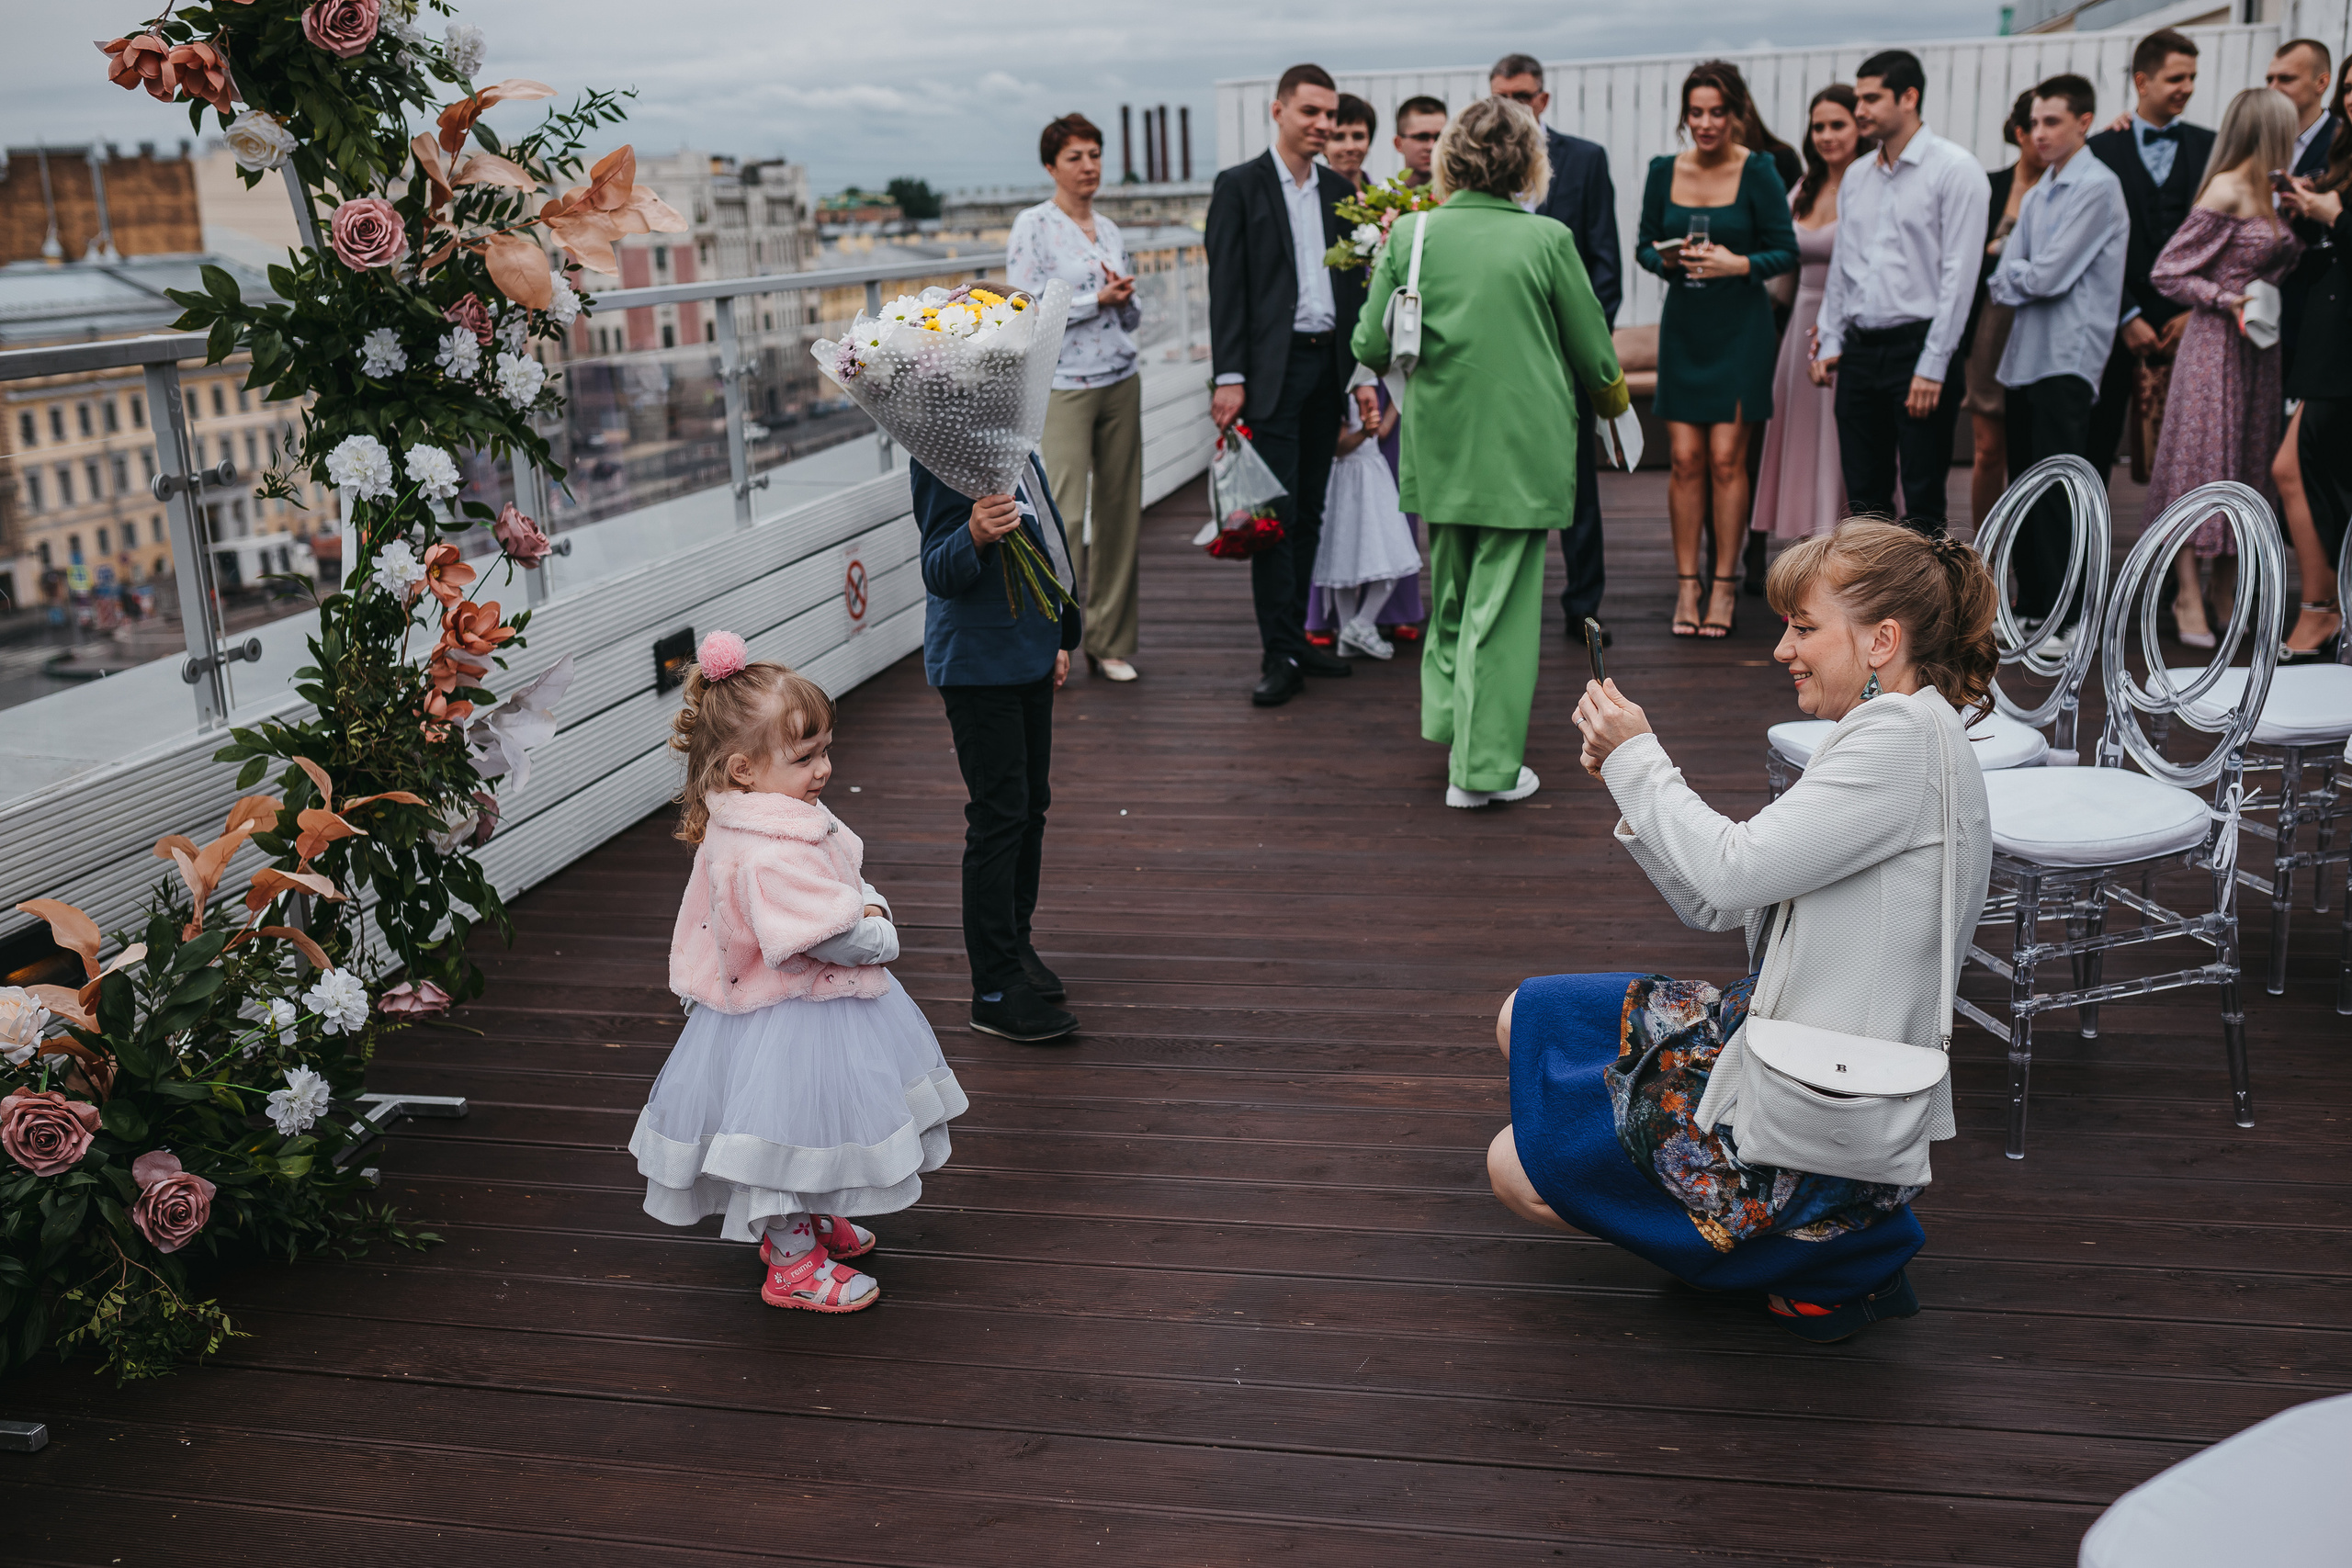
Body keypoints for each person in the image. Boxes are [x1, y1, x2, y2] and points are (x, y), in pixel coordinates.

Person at [1491, 519, 1996, 1341]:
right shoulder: (1894, 729)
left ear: (1882, 641)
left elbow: (1726, 871)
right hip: (1768, 1026)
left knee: (1517, 1168)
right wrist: (1630, 781)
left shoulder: (1897, 742)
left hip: (1817, 1101)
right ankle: (1780, 1246)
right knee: (1524, 1016)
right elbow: (1721, 902)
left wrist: (1642, 760)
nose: (1782, 649)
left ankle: (1837, 1254)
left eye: (1803, 628)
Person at [632, 637, 967, 1315]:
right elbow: (837, 936)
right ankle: (789, 1258)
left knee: (810, 1122)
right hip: (791, 1011)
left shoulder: (767, 816)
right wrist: (878, 919)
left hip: (787, 1008)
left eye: (824, 749)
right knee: (781, 1131)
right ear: (744, 768)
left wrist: (858, 899)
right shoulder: (767, 854)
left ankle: (808, 1220)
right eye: (806, 756)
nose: (824, 768)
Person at [1351, 96, 1628, 808]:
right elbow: (1596, 356)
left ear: (1450, 156)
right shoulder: (1547, 240)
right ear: (1528, 163)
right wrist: (1617, 411)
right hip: (1521, 449)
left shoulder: (1411, 233)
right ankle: (1481, 770)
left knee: (1452, 591)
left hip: (1438, 442)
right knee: (1501, 611)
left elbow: (1370, 346)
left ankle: (1450, 723)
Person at [911, 450, 1083, 1042]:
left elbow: (1049, 540)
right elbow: (938, 570)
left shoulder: (1018, 446)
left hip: (1027, 651)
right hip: (978, 664)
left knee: (1030, 807)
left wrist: (1059, 634)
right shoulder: (942, 452)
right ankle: (993, 986)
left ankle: (1016, 944)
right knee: (998, 816)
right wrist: (973, 534)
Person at [1205, 63, 1362, 707]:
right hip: (1268, 374)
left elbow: (1356, 288)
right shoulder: (1239, 186)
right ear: (1279, 111)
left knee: (1312, 512)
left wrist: (1362, 377)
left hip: (1329, 369)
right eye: (1311, 112)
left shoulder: (1339, 192)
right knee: (1272, 516)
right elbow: (1228, 289)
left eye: (1330, 114)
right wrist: (1229, 376)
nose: (1323, 124)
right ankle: (1278, 655)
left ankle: (1298, 638)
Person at [1638, 60, 1799, 637]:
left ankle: (1725, 584)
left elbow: (1786, 251)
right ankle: (1688, 583)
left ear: (1737, 114)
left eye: (1717, 111)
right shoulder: (1663, 170)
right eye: (1696, 112)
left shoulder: (1758, 170)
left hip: (1741, 330)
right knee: (1683, 460)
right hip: (1685, 326)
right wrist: (1668, 257)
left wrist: (1739, 263)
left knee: (1728, 460)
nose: (1706, 123)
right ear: (1686, 115)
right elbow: (1643, 247)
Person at [2143, 87, 2303, 649]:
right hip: (2216, 344)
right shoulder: (2227, 187)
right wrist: (2224, 298)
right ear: (2269, 129)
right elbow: (2168, 272)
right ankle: (2188, 590)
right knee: (2203, 463)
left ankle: (2225, 587)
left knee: (2247, 465)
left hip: (2261, 347)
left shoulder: (2279, 192)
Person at [1813, 50, 1991, 533]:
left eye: (1872, 97)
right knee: (1865, 503)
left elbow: (1961, 275)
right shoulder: (1855, 176)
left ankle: (1924, 611)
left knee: (1923, 501)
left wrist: (1933, 365)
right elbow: (1843, 267)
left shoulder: (1957, 169)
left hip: (1921, 349)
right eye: (1859, 97)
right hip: (1859, 353)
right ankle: (1872, 609)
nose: (1860, 109)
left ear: (1909, 97)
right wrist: (1830, 339)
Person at [1491, 52, 1623, 645]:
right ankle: (1503, 602)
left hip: (1565, 357)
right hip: (1498, 355)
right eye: (1500, 96)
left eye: (1521, 95)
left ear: (1542, 99)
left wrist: (1582, 342)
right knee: (1500, 479)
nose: (1511, 106)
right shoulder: (1481, 164)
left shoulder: (1586, 159)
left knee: (1576, 485)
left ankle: (1583, 606)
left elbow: (1605, 262)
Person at [1987, 75, 2129, 629]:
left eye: (2052, 122)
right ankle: (2034, 607)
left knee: (2060, 490)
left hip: (2068, 355)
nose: (2039, 133)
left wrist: (2021, 271)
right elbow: (2004, 278)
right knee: (2025, 485)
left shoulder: (2098, 187)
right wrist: (2023, 272)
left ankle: (2066, 619)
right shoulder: (2043, 187)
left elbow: (2044, 276)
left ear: (2084, 122)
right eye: (2035, 123)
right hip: (2026, 355)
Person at [1010, 113, 1145, 684]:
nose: (1088, 165)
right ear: (1051, 166)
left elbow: (1131, 313)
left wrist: (1123, 300)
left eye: (1095, 154)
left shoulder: (1110, 228)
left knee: (1120, 513)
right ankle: (1053, 641)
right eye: (1075, 157)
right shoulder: (1034, 226)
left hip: (1120, 375)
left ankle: (1111, 642)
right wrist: (1096, 299)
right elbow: (1024, 306)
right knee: (1061, 514)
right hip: (1064, 385)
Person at [1306, 94, 1429, 648]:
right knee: (1330, 489)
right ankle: (1323, 612)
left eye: (1359, 136)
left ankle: (1397, 600)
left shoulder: (1388, 204)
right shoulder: (1313, 203)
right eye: (1340, 136)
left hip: (1382, 353)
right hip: (1330, 354)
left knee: (1396, 484)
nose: (1349, 145)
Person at [2086, 29, 2214, 484]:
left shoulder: (2212, 146)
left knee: (2193, 447)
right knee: (2096, 443)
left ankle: (2181, 548)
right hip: (2115, 318)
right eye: (2176, 77)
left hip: (2193, 320)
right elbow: (2090, 245)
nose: (2188, 87)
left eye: (2193, 77)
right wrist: (2125, 315)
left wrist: (2193, 311)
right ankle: (2089, 546)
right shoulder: (2099, 149)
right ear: (2143, 81)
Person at [1754, 84, 1865, 542]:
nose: (1826, 135)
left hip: (1848, 328)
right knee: (1800, 445)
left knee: (1842, 447)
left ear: (1860, 127)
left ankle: (1847, 557)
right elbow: (1778, 259)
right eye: (1818, 126)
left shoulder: (1870, 184)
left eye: (1837, 124)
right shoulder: (1803, 186)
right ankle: (1806, 556)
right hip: (1799, 326)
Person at [2282, 123, 2352, 658]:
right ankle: (2325, 606)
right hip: (2327, 334)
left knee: (2298, 468)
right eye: (2348, 89)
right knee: (2299, 468)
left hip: (2341, 341)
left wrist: (2337, 218)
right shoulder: (2339, 160)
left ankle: (2323, 609)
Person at [1962, 93, 2045, 531]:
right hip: (1991, 328)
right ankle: (1985, 555)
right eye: (2037, 125)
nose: (2046, 136)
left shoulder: (2065, 188)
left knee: (2035, 454)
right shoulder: (1989, 185)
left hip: (2041, 328)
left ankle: (2029, 552)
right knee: (1988, 447)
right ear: (2020, 133)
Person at [1312, 393, 1419, 659]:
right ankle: (1353, 630)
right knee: (1343, 561)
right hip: (1347, 477)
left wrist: (1395, 398)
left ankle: (1359, 626)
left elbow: (1382, 431)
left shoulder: (1372, 389)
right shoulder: (1343, 391)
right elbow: (1337, 447)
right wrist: (1364, 433)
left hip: (1373, 474)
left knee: (1392, 553)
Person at [2270, 39, 2340, 385]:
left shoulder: (2341, 142)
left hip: (2318, 306)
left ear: (2322, 83)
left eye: (2286, 79)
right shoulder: (2264, 140)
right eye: (2269, 79)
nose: (2273, 88)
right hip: (2264, 308)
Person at [1394, 96, 1447, 188]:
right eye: (1422, 137)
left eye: (1439, 137)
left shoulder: (1459, 199)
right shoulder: (1383, 198)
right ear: (1398, 144)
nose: (1432, 146)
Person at [1325, 94, 1376, 188]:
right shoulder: (1310, 199)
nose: (1350, 147)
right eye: (1338, 137)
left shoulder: (1388, 199)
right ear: (1322, 145)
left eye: (1358, 136)